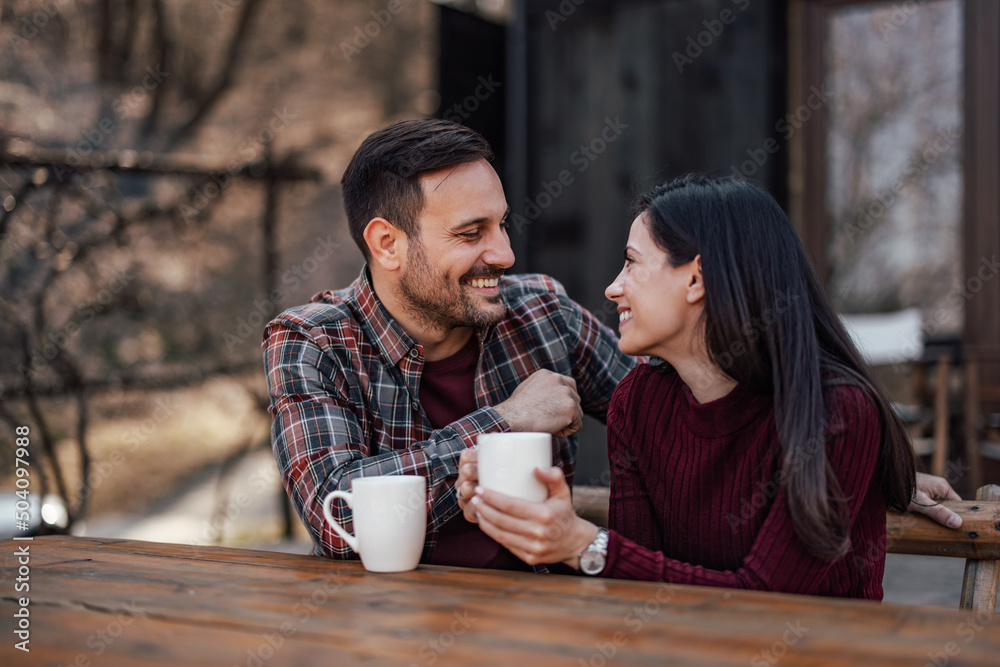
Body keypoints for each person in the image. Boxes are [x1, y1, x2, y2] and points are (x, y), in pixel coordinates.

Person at [459, 174, 962, 598]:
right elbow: (634, 588)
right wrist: (525, 522)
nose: (613, 287)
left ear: (695, 279)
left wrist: (584, 545)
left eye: (632, 262)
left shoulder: (837, 410)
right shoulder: (637, 403)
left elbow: (768, 600)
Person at [262, 119, 635, 569]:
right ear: (387, 244)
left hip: (544, 621)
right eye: (471, 233)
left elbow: (669, 416)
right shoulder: (313, 341)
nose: (505, 254)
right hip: (382, 627)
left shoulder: (542, 312)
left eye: (502, 225)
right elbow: (338, 515)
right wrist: (506, 421)